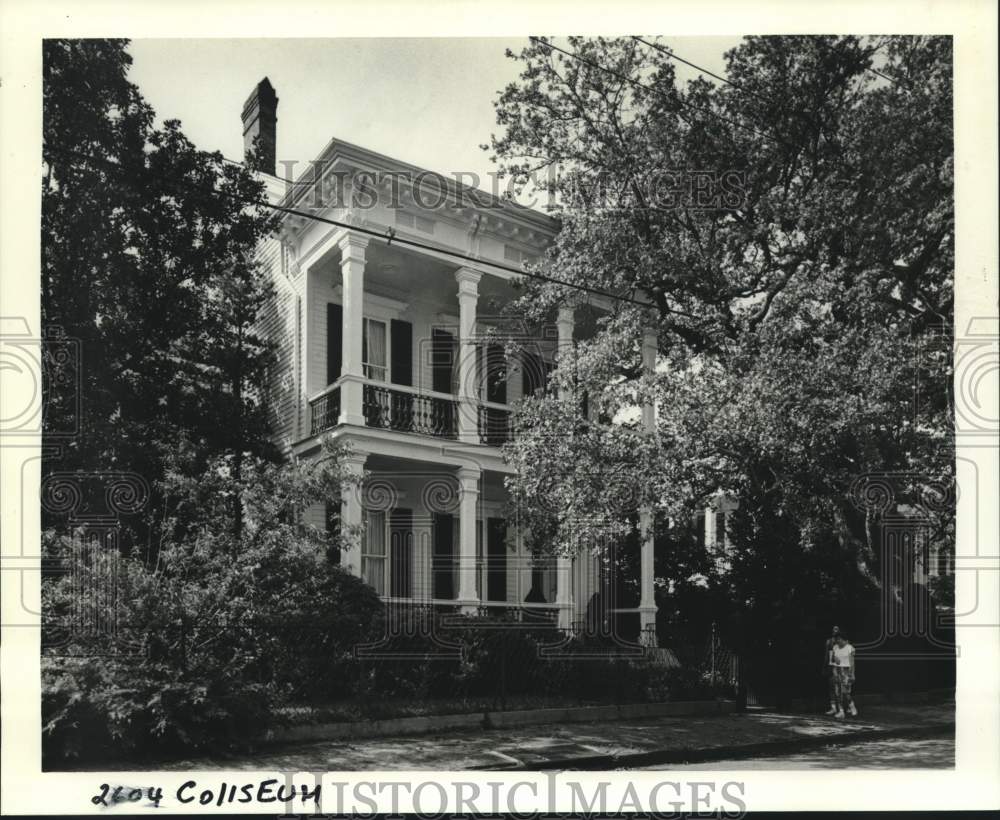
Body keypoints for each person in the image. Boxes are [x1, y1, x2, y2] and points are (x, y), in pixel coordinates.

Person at [830, 633, 858, 718]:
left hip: (846, 671)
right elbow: (833, 660)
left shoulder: (850, 648)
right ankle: (841, 711)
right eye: (837, 639)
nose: (838, 641)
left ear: (844, 640)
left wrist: (852, 674)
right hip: (837, 670)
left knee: (845, 692)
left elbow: (852, 663)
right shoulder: (835, 647)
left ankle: (852, 706)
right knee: (837, 692)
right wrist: (835, 665)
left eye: (839, 639)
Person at [822, 626, 841, 715]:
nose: (835, 631)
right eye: (833, 629)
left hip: (840, 666)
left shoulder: (842, 642)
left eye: (837, 629)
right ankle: (833, 708)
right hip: (831, 666)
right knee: (831, 687)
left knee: (839, 688)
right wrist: (825, 667)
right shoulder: (829, 641)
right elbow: (826, 655)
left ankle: (840, 708)